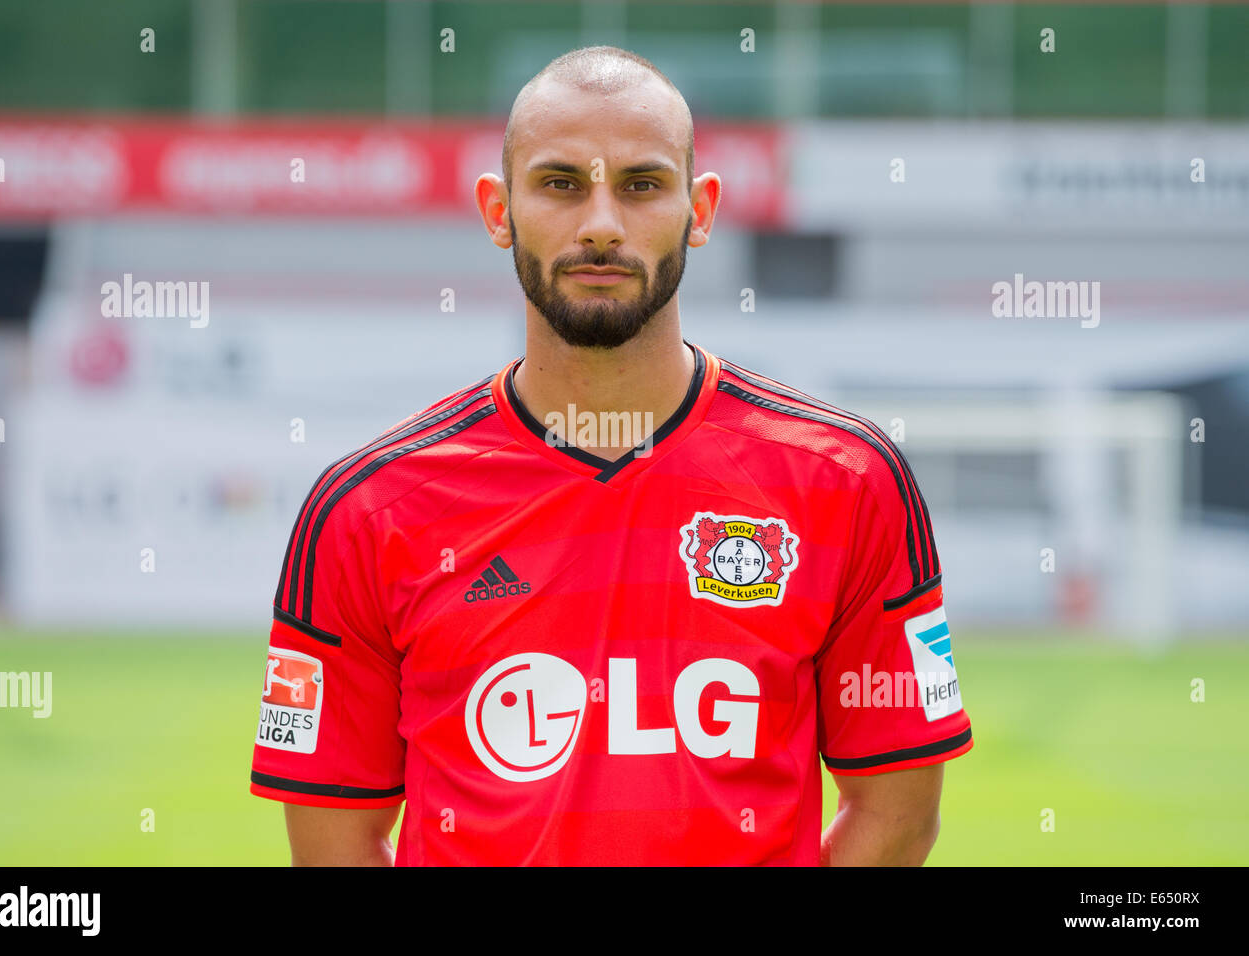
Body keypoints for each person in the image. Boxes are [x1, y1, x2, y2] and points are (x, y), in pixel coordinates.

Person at [250, 45, 972, 865]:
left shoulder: (846, 479)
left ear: (699, 209)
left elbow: (900, 816)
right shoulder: (365, 508)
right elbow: (334, 841)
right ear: (499, 211)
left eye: (641, 185)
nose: (600, 223)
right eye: (560, 184)